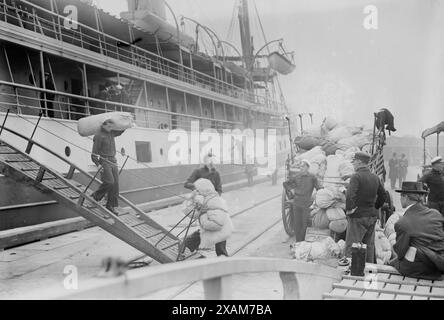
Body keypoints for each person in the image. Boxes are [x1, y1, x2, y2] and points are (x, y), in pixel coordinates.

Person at [390, 182, 444, 280]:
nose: (400, 199)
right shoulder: (436, 214)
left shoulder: (402, 222)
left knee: (394, 259)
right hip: (438, 267)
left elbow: (400, 253)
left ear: (405, 197)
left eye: (401, 196)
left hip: (417, 269)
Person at [340, 152, 387, 266]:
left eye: (354, 161)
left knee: (352, 246)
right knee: (369, 247)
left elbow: (350, 195)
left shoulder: (356, 176)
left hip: (358, 216)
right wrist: (375, 207)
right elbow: (383, 195)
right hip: (371, 216)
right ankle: (369, 273)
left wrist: (350, 210)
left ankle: (349, 273)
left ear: (360, 162)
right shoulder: (375, 177)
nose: (354, 164)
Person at [184, 155, 227, 256]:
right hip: (201, 203)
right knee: (211, 226)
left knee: (217, 226)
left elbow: (219, 188)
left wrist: (216, 198)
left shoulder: (216, 173)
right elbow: (187, 184)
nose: (211, 163)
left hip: (213, 203)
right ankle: (188, 244)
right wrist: (199, 188)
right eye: (209, 161)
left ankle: (188, 244)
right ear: (205, 162)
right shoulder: (198, 172)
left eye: (213, 161)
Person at [91, 119, 125, 215]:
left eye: (111, 127)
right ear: (104, 125)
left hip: (113, 161)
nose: (111, 129)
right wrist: (98, 164)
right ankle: (96, 195)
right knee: (110, 182)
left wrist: (127, 125)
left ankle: (110, 206)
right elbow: (94, 154)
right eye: (109, 127)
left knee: (116, 184)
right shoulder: (98, 136)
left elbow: (120, 132)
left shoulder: (111, 133)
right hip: (105, 161)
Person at [283, 159, 322, 242]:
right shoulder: (297, 176)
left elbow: (319, 188)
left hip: (306, 204)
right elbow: (285, 184)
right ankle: (298, 243)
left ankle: (303, 242)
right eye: (300, 166)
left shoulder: (312, 177)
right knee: (297, 224)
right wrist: (291, 189)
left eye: (303, 166)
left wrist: (321, 195)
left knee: (304, 224)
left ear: (307, 167)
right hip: (296, 203)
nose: (301, 168)